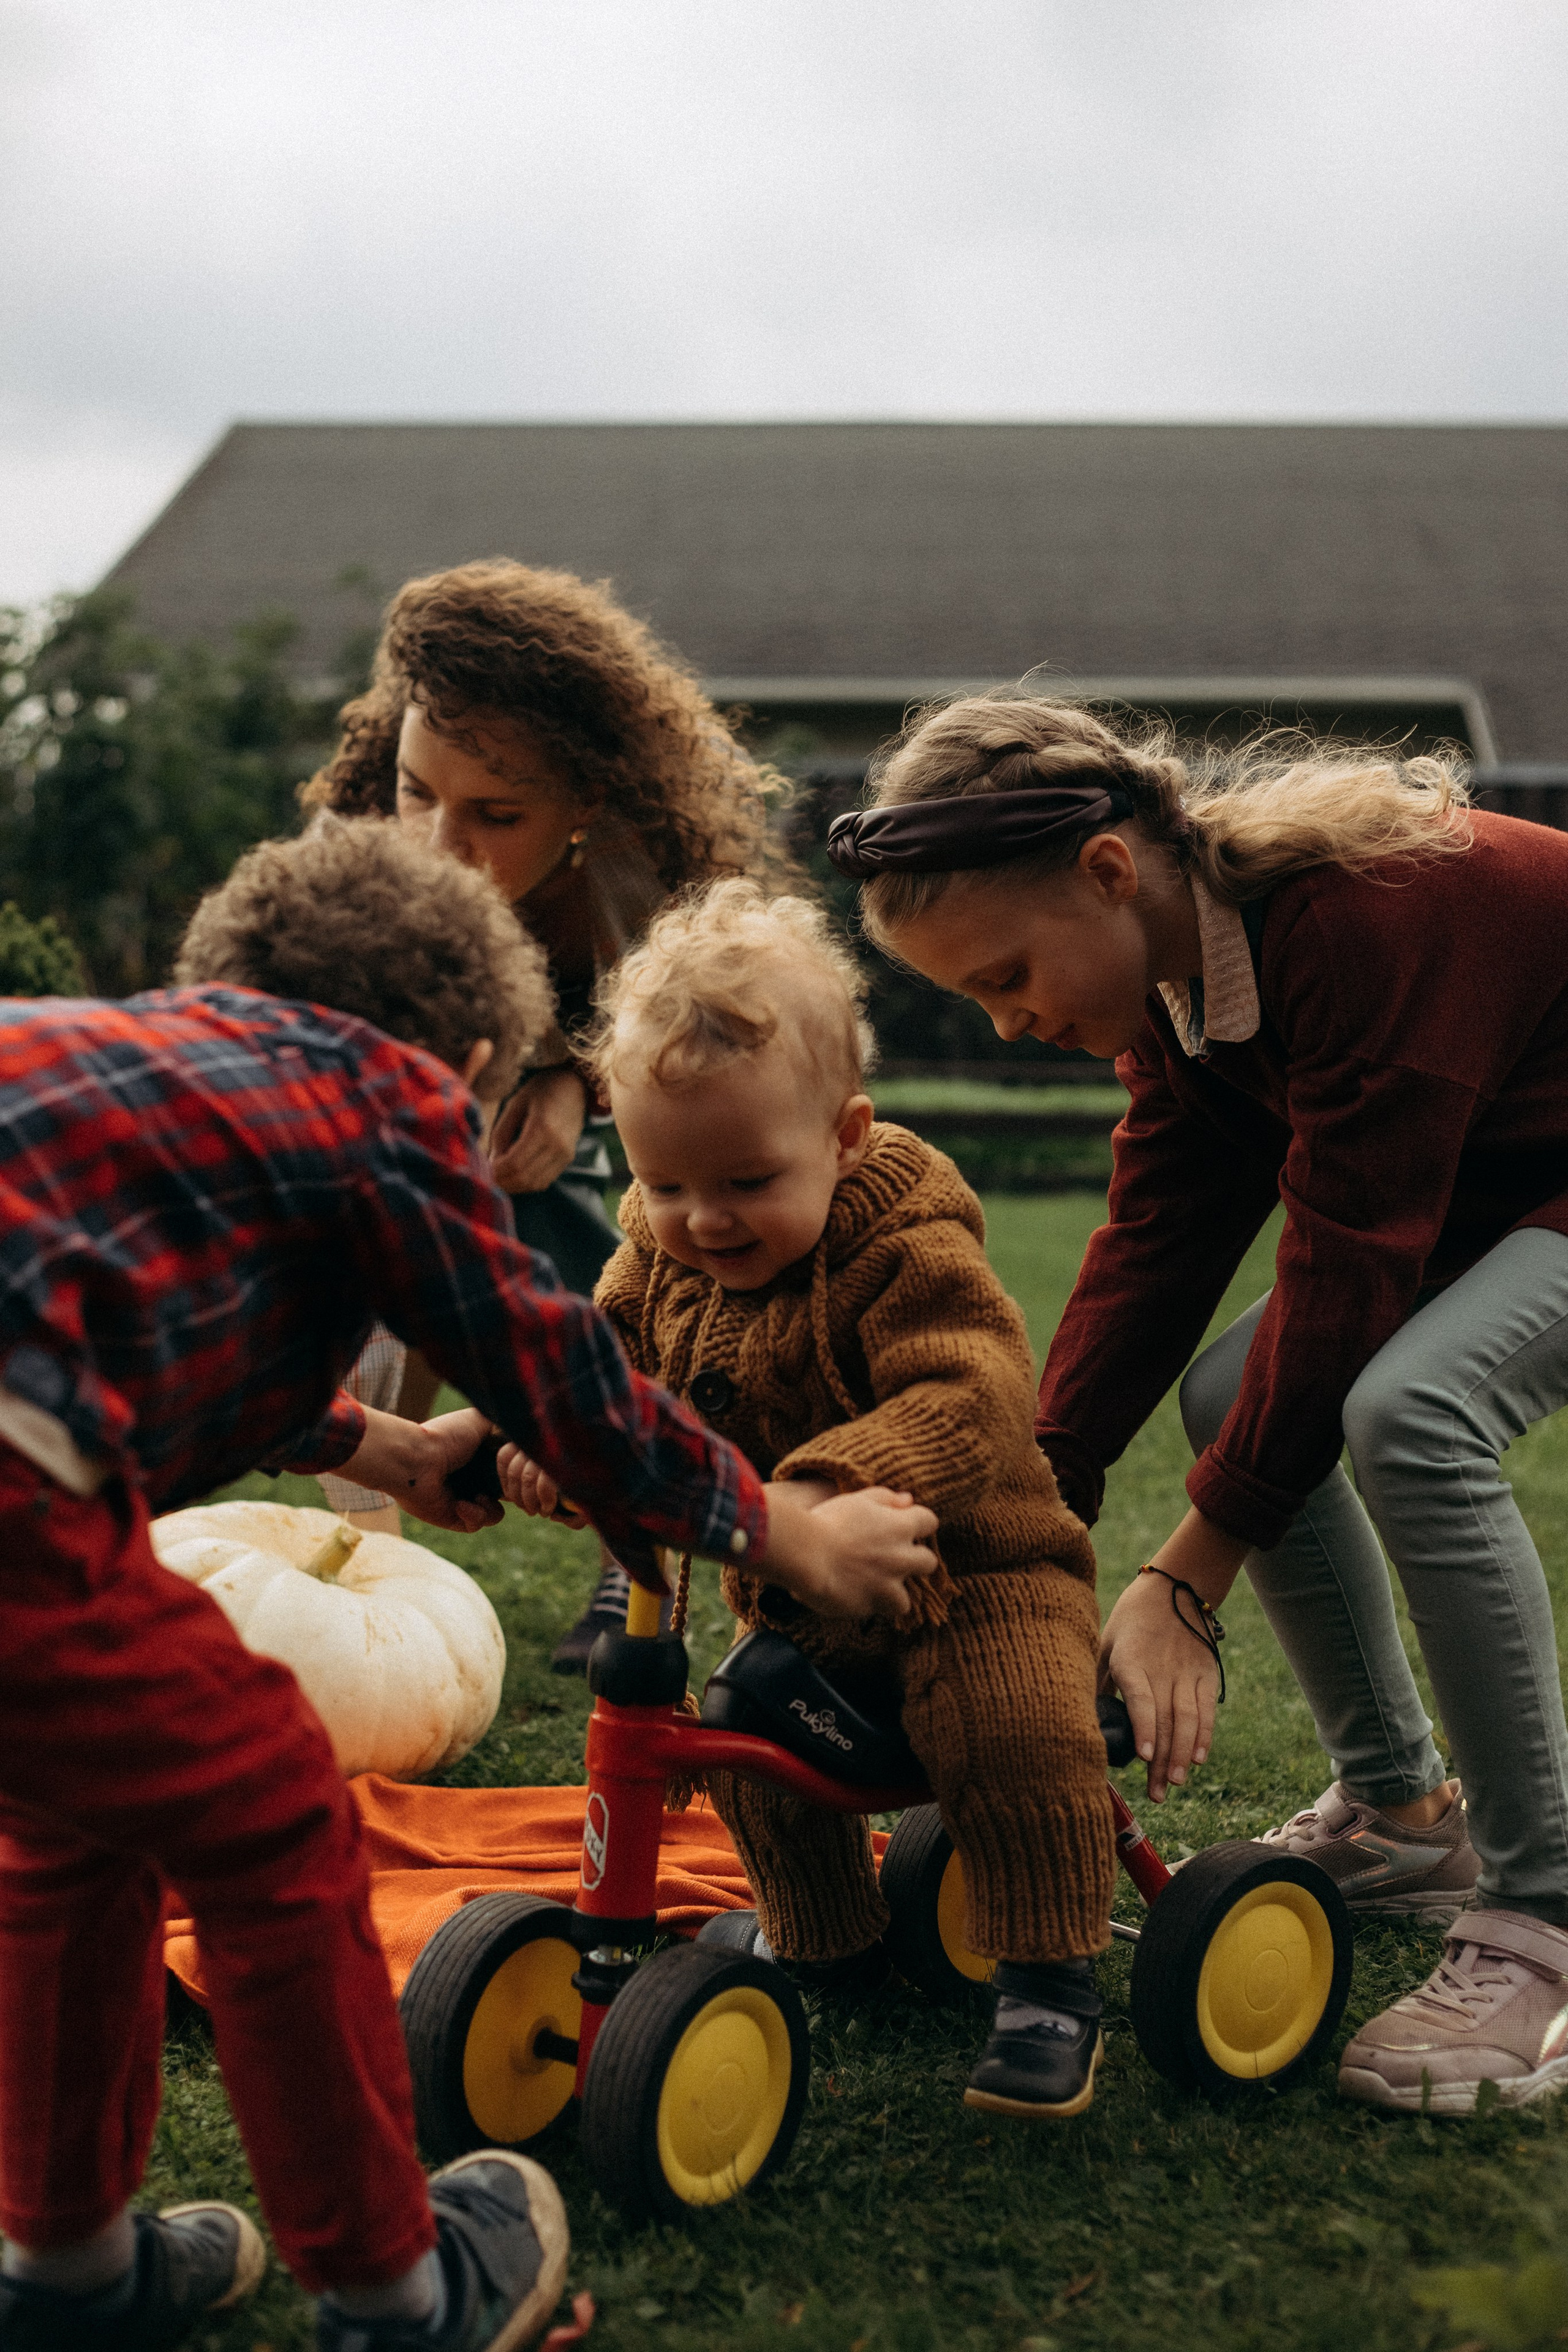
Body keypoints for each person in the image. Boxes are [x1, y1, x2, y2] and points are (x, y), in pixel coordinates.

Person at [0, 817, 937, 2352]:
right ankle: (395, 2292)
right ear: (477, 1054)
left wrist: (370, 1445)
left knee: (73, 1833)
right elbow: (551, 1363)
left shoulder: (151, 1067)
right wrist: (777, 1528)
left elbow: (171, 1336)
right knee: (273, 1809)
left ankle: (70, 2271)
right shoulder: (381, 1089)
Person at [829, 689, 1568, 2119]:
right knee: (1238, 1384)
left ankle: (1540, 1913)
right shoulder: (1180, 1001)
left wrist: (1184, 1577)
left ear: (1109, 871)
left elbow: (1352, 1262)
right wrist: (1022, 1503)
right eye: (976, 1000)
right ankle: (1403, 1818)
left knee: (1409, 1409)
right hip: (1503, 1179)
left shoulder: (1362, 922)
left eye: (1008, 972)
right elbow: (1158, 1243)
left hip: (1521, 1186)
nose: (1009, 1017)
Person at [501, 880, 1117, 2120]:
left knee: (1007, 1732)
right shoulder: (656, 1245)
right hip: (803, 1599)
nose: (699, 1221)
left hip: (971, 1576)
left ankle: (1050, 1977)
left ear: (842, 1137)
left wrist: (816, 1491)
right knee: (748, 1741)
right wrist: (540, 1434)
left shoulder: (902, 1233)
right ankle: (822, 1942)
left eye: (742, 1180)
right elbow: (600, 1365)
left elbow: (970, 1394)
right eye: (664, 1186)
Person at [304, 559, 782, 1659]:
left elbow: (680, 1041)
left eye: (497, 815)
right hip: (428, 1092)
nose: (438, 844)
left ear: (586, 805)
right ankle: (362, 1559)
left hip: (622, 1101)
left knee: (643, 1254)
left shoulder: (641, 871)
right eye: (418, 792)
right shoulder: (357, 851)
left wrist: (572, 1079)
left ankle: (638, 1549)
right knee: (378, 1251)